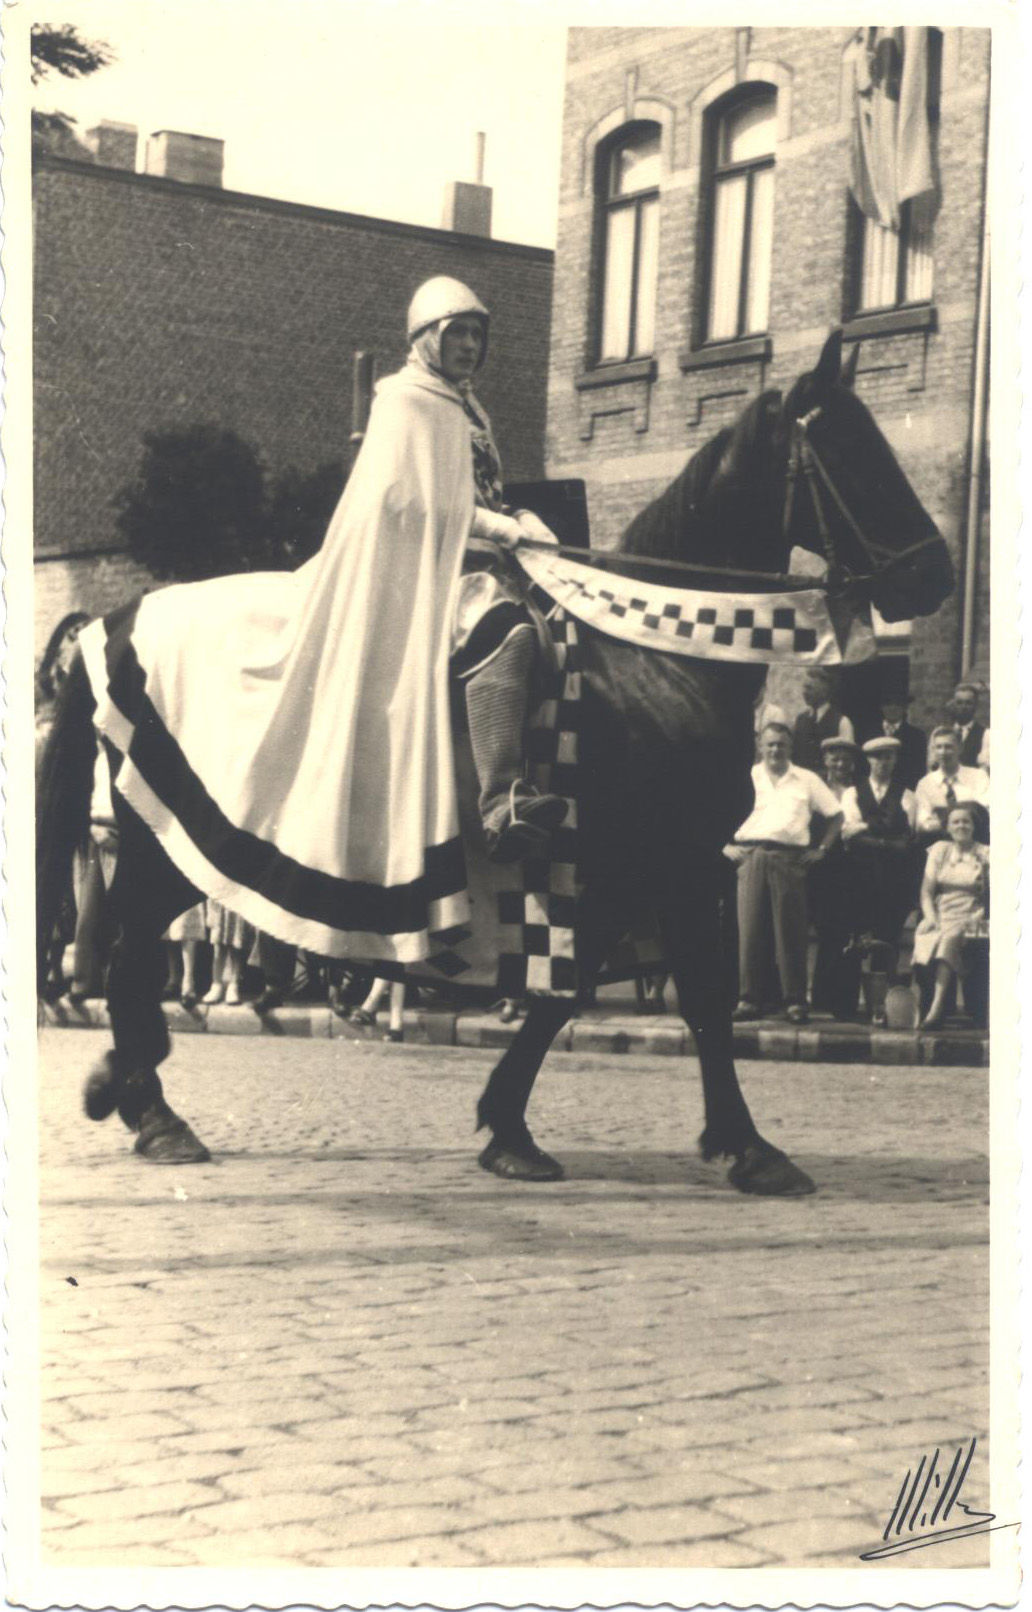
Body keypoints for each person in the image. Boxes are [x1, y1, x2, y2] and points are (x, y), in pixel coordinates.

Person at [79, 277, 566, 971]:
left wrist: (519, 521)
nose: (467, 346)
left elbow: (471, 491)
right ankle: (500, 802)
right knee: (508, 633)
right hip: (417, 576)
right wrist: (501, 525)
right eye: (456, 332)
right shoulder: (404, 400)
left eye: (476, 335)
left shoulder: (470, 409)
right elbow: (406, 500)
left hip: (471, 559)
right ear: (427, 337)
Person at [724, 721, 843, 1025]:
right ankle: (749, 999)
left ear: (791, 748)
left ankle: (795, 1002)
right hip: (749, 856)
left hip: (790, 860)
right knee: (750, 931)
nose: (775, 749)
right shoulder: (744, 777)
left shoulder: (806, 779)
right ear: (760, 747)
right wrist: (724, 847)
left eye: (781, 744)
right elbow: (713, 811)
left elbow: (835, 815)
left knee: (790, 933)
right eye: (770, 744)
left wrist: (822, 850)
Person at [840, 735, 918, 977]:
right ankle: (854, 998)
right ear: (868, 760)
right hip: (860, 874)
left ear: (895, 760)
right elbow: (850, 831)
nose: (883, 762)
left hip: (894, 876)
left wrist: (869, 829)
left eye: (888, 757)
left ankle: (884, 999)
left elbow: (908, 834)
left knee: (889, 935)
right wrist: (886, 836)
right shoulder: (852, 793)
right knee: (859, 934)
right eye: (877, 757)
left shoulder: (907, 795)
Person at [912, 803, 989, 1028]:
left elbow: (994, 895)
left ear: (975, 826)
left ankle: (936, 1009)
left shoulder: (986, 853)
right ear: (947, 826)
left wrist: (980, 915)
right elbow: (926, 891)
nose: (961, 826)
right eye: (955, 821)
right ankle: (922, 1008)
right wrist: (930, 917)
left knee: (949, 938)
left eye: (966, 821)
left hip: (976, 917)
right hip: (942, 912)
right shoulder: (939, 850)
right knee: (924, 934)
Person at [809, 737, 862, 1018]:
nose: (840, 764)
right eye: (834, 758)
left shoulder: (857, 792)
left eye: (845, 759)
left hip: (847, 868)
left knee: (840, 932)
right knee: (817, 928)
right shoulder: (813, 788)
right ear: (825, 760)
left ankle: (840, 1000)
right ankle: (815, 996)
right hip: (815, 866)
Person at [914, 726, 990, 846]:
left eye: (948, 746)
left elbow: (983, 814)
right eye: (938, 747)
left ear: (960, 748)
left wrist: (941, 816)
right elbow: (923, 824)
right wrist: (965, 814)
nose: (943, 752)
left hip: (975, 843)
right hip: (938, 846)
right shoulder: (925, 784)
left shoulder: (978, 777)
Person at [791, 670, 855, 772]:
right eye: (804, 687)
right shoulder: (800, 720)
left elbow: (847, 761)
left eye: (809, 688)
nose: (804, 692)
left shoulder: (842, 722)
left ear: (824, 691)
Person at [862, 694, 927, 792]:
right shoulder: (869, 733)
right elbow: (863, 766)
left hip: (904, 791)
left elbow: (918, 770)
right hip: (873, 790)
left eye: (898, 704)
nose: (893, 708)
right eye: (888, 704)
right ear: (881, 707)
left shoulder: (916, 736)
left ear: (905, 708)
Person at [949, 681, 987, 768]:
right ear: (953, 705)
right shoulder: (945, 731)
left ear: (976, 705)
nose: (963, 707)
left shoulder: (985, 735)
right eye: (959, 703)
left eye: (968, 703)